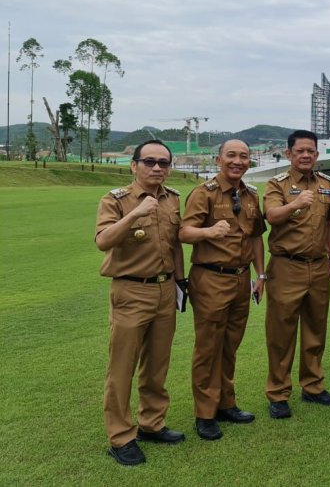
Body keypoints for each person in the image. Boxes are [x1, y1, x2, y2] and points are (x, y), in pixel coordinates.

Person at [95, 139, 185, 466]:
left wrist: (181, 280)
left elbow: (175, 245)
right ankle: (120, 437)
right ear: (134, 166)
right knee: (122, 367)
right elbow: (103, 240)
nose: (157, 168)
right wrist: (135, 213)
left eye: (163, 162)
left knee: (157, 364)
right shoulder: (115, 200)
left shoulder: (173, 199)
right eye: (149, 162)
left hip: (164, 290)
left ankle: (152, 423)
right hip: (131, 291)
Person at [179, 140, 266, 441]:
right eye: (232, 155)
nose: (238, 161)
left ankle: (225, 403)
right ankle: (205, 413)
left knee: (230, 345)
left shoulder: (251, 195)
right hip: (211, 278)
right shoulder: (204, 193)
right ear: (219, 159)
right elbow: (183, 231)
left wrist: (261, 274)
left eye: (244, 156)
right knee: (208, 347)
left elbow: (256, 238)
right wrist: (208, 232)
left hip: (241, 280)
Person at [263, 130, 330, 418]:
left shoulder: (325, 184)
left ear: (317, 155)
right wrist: (295, 204)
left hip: (319, 266)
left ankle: (313, 386)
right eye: (300, 151)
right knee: (281, 333)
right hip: (287, 266)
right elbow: (271, 216)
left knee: (315, 330)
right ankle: (278, 393)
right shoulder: (277, 184)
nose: (306, 155)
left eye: (311, 151)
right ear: (289, 154)